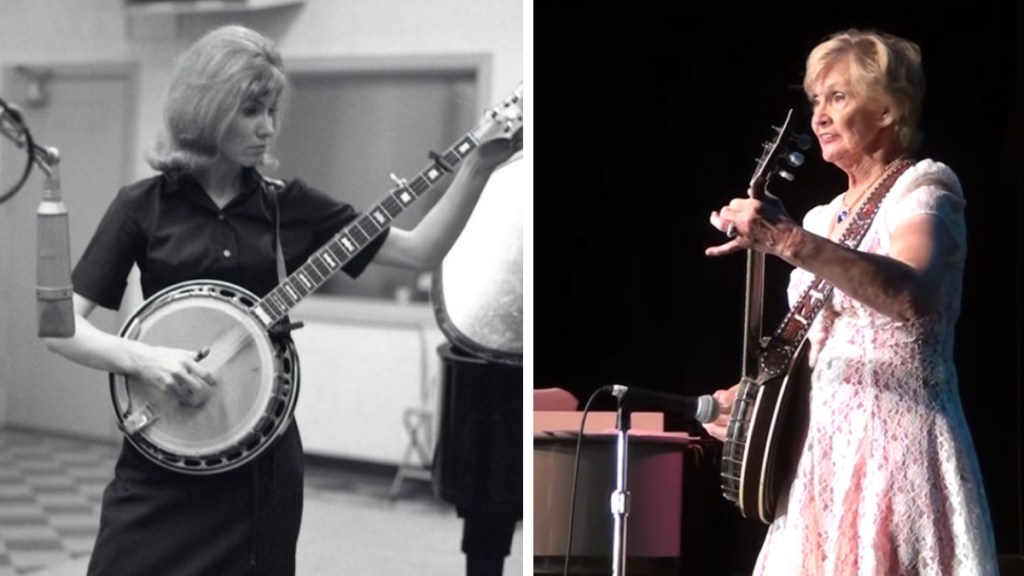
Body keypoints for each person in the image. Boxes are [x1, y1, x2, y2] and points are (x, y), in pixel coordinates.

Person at [42, 24, 521, 576]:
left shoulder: (290, 206)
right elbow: (60, 327)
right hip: (161, 457)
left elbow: (419, 251)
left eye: (272, 110)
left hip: (258, 468)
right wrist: (143, 357)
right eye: (250, 110)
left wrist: (479, 167)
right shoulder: (142, 206)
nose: (268, 128)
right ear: (207, 108)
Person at [702, 28, 999, 575]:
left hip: (896, 446)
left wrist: (788, 242)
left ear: (887, 109)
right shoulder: (821, 217)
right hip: (819, 461)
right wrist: (752, 402)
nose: (818, 116)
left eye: (837, 97)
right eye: (816, 100)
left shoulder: (924, 189)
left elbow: (912, 295)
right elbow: (818, 349)